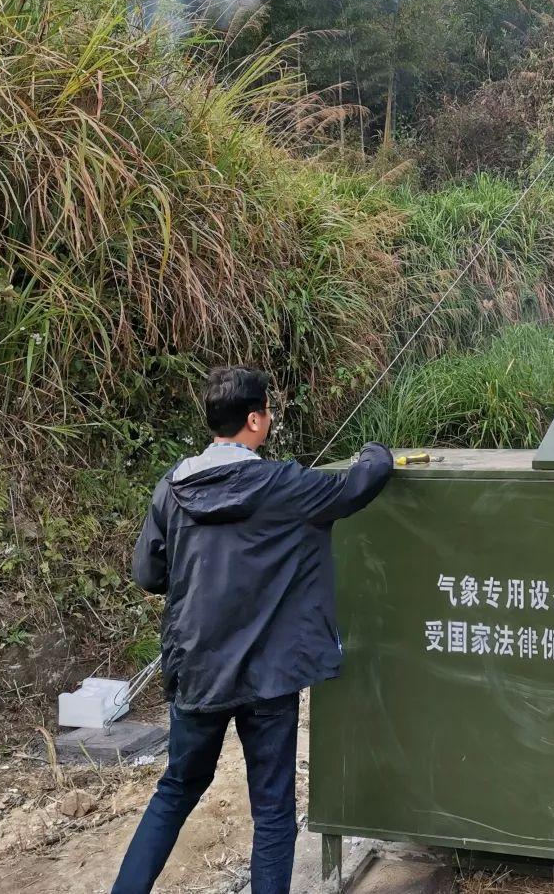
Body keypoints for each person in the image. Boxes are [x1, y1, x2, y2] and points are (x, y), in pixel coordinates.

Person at [111, 366, 394, 894]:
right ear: (254, 421)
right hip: (269, 676)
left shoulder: (173, 487)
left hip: (198, 670)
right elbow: (356, 487)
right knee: (272, 811)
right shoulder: (282, 484)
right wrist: (378, 451)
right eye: (267, 411)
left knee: (176, 789)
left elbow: (148, 575)